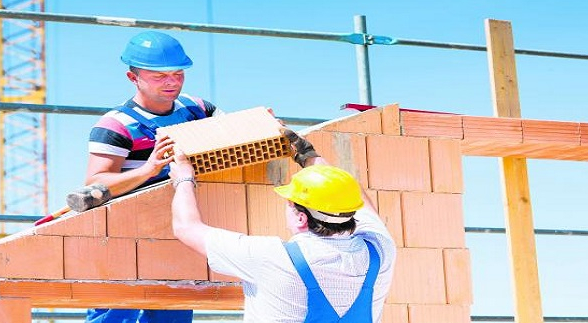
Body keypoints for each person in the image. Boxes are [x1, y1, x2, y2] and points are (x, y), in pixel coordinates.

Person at [68, 31, 222, 323]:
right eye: (159, 76)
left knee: (171, 312)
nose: (171, 82)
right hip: (123, 235)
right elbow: (96, 183)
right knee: (116, 313)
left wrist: (260, 125)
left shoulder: (197, 109)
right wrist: (148, 169)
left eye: (178, 74)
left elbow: (233, 135)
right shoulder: (116, 125)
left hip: (175, 233)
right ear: (133, 77)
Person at [168, 129, 396, 323]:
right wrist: (307, 155)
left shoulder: (272, 257)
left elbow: (186, 228)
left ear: (301, 218)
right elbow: (351, 196)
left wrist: (183, 178)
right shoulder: (380, 250)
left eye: (289, 204)